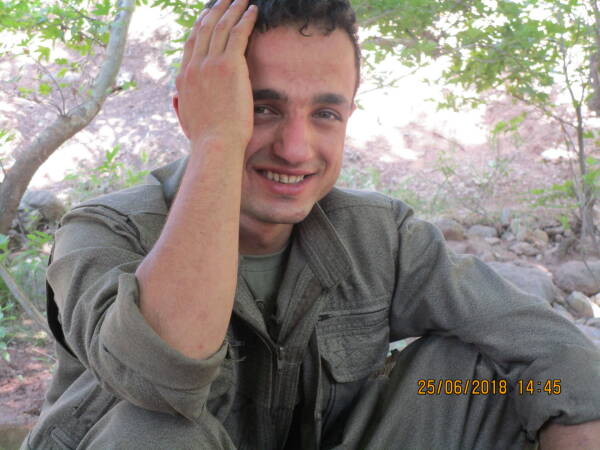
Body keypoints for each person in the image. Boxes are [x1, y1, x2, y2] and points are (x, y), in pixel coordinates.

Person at [21, 0, 600, 448]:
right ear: (194, 112)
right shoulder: (104, 231)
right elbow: (164, 373)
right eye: (261, 108)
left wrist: (568, 421)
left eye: (325, 113)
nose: (296, 149)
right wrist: (218, 141)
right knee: (154, 427)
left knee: (475, 374)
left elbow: (551, 346)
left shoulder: (380, 236)